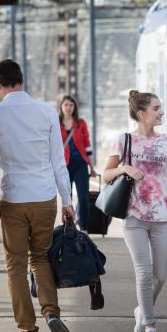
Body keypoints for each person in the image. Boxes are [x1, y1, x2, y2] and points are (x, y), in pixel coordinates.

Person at [0, 59, 76, 332]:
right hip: (45, 196)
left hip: (13, 197)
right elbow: (58, 162)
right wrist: (68, 202)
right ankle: (51, 313)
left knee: (16, 266)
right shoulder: (47, 112)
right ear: (22, 80)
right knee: (42, 258)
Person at [102, 90, 167, 332]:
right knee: (144, 272)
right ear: (142, 113)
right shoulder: (125, 140)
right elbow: (105, 175)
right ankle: (150, 325)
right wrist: (124, 168)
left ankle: (141, 310)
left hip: (162, 217)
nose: (161, 112)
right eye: (157, 108)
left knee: (161, 275)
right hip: (134, 216)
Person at [58, 95, 96, 231]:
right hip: (63, 166)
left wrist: (92, 167)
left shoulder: (80, 123)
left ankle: (83, 227)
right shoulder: (56, 123)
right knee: (66, 198)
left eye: (71, 105)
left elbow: (88, 146)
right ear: (61, 106)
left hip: (80, 164)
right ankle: (69, 227)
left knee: (83, 197)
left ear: (74, 107)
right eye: (66, 105)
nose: (68, 107)